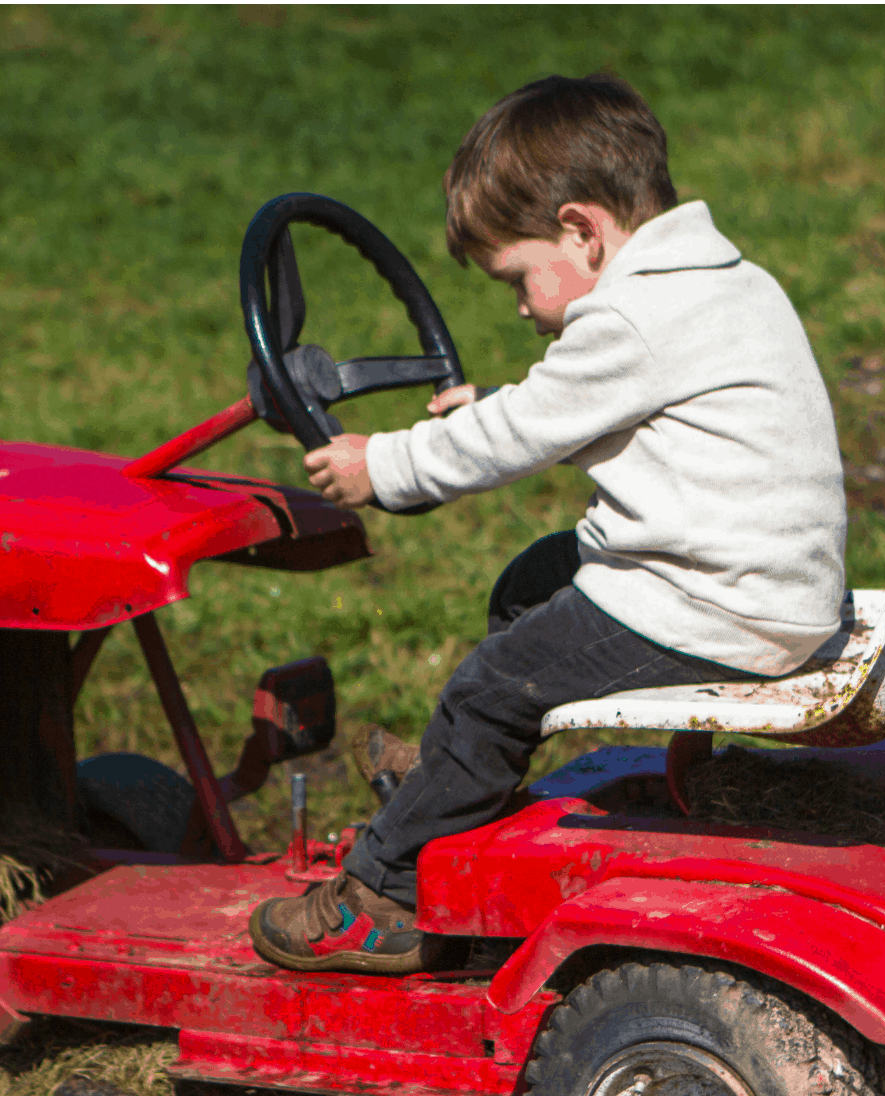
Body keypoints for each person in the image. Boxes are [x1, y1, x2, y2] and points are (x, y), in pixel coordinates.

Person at [249, 72, 848, 975]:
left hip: (715, 605)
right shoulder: (721, 279)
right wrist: (486, 404)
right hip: (763, 581)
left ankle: (383, 895)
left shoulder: (633, 320)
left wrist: (386, 466)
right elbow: (580, 406)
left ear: (582, 230)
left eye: (518, 278)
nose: (521, 306)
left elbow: (525, 434)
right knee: (531, 584)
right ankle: (461, 772)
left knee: (492, 686)